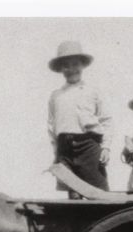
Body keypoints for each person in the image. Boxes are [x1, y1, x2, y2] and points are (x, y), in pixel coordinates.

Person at [47, 40, 113, 199]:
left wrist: (106, 147)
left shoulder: (93, 91)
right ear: (61, 69)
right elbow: (51, 126)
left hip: (88, 146)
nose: (71, 69)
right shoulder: (56, 96)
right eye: (66, 65)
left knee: (98, 193)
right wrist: (56, 154)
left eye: (75, 64)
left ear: (82, 65)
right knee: (74, 194)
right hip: (65, 149)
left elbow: (106, 120)